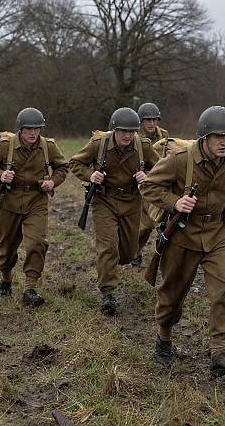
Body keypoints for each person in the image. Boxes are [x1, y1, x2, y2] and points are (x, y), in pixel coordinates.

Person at [140, 106, 225, 376]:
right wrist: (174, 201)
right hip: (183, 234)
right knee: (172, 294)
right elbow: (148, 186)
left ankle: (220, 351)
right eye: (219, 137)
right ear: (205, 137)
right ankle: (164, 338)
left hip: (219, 232)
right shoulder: (179, 159)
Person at [70, 108, 158, 315]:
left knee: (128, 253)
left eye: (131, 131)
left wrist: (148, 176)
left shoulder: (143, 146)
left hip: (131, 202)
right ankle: (108, 293)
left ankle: (115, 262)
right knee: (108, 246)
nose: (127, 135)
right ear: (114, 130)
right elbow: (75, 163)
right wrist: (91, 175)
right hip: (104, 200)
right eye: (122, 131)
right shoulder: (99, 144)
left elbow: (163, 169)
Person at [0, 108, 69, 306]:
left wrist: (53, 182)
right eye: (28, 128)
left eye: (37, 128)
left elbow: (63, 167)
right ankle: (6, 278)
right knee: (6, 250)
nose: (32, 133)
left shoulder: (48, 147)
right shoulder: (5, 145)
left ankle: (30, 288)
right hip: (9, 200)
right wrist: (0, 175)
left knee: (36, 243)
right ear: (20, 129)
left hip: (37, 200)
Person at [132, 102, 169, 267]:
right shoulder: (133, 136)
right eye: (148, 120)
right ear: (141, 121)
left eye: (155, 120)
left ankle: (162, 258)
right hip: (138, 185)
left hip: (160, 183)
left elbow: (168, 158)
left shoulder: (164, 136)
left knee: (162, 224)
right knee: (144, 227)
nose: (152, 124)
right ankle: (135, 252)